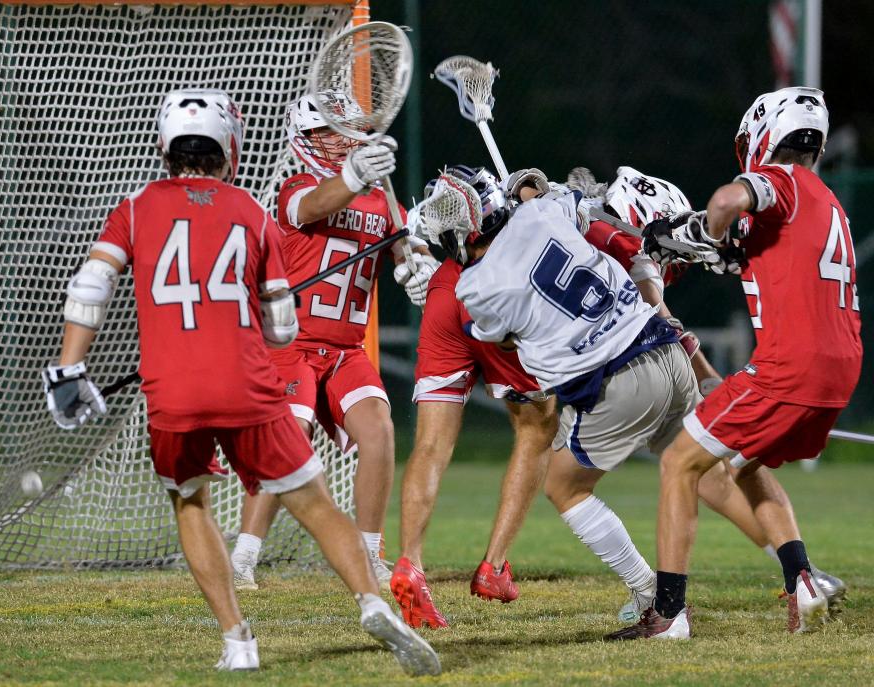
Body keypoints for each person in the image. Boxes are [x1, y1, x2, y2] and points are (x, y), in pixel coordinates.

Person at [41, 89, 440, 675]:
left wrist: (70, 370)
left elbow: (91, 287)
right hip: (248, 378)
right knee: (312, 497)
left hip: (171, 387)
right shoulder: (254, 208)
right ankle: (370, 601)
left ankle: (237, 642)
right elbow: (281, 327)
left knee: (190, 501)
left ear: (164, 146)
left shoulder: (135, 207)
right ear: (231, 146)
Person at [609, 87, 861, 639]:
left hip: (789, 367)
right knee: (745, 465)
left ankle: (669, 613)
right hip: (841, 368)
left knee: (680, 464)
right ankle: (803, 579)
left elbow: (726, 203)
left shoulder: (783, 180)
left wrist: (706, 230)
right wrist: (710, 247)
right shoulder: (828, 202)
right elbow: (760, 254)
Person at [416, 165, 693, 625]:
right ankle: (796, 571)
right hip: (665, 350)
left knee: (564, 487)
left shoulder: (475, 286)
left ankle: (657, 600)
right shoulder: (539, 212)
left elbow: (500, 338)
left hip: (616, 377)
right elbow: (573, 199)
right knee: (708, 470)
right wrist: (537, 192)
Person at [227, 91, 438, 590]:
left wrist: (418, 271)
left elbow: (409, 254)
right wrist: (354, 176)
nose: (343, 141)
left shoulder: (383, 199)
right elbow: (314, 205)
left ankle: (368, 554)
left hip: (344, 350)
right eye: (330, 132)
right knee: (290, 438)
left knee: (380, 431)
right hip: (289, 345)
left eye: (347, 131)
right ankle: (243, 558)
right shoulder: (294, 186)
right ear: (305, 139)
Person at [391, 166, 557, 628]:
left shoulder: (447, 238)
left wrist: (416, 252)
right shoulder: (515, 222)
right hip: (497, 292)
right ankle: (494, 566)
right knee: (536, 426)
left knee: (430, 445)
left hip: (447, 290)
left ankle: (410, 563)